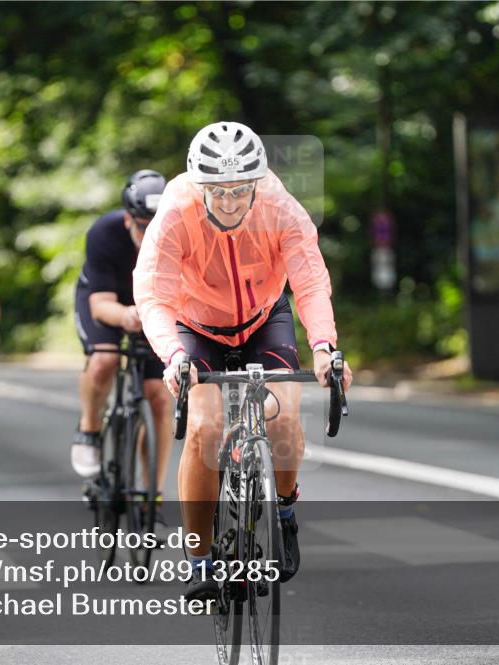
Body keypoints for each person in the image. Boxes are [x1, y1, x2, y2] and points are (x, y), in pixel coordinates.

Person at [133, 122, 353, 600]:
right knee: (205, 429)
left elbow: (310, 283)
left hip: (263, 316)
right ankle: (199, 559)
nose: (229, 202)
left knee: (284, 418)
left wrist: (324, 348)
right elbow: (153, 296)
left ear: (257, 181)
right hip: (196, 325)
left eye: (239, 190)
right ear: (199, 183)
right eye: (217, 191)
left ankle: (286, 512)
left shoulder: (280, 207)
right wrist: (173, 356)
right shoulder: (175, 211)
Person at [72, 170, 173, 502]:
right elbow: (101, 306)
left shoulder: (180, 238)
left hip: (153, 311)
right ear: (129, 220)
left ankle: (153, 492)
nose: (151, 235)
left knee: (158, 393)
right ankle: (89, 430)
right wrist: (128, 315)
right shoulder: (105, 233)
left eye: (159, 226)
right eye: (144, 226)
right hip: (107, 302)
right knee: (105, 360)